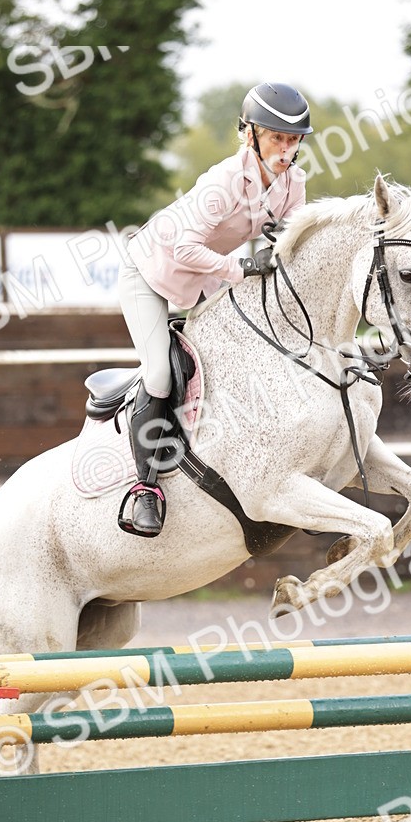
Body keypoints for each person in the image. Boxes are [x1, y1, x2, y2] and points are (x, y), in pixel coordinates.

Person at [117, 81, 314, 536]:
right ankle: (145, 488)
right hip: (150, 272)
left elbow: (286, 249)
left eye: (292, 140)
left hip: (205, 277)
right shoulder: (222, 181)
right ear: (250, 135)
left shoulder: (294, 184)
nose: (285, 150)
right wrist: (243, 267)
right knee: (162, 374)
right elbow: (183, 249)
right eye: (276, 138)